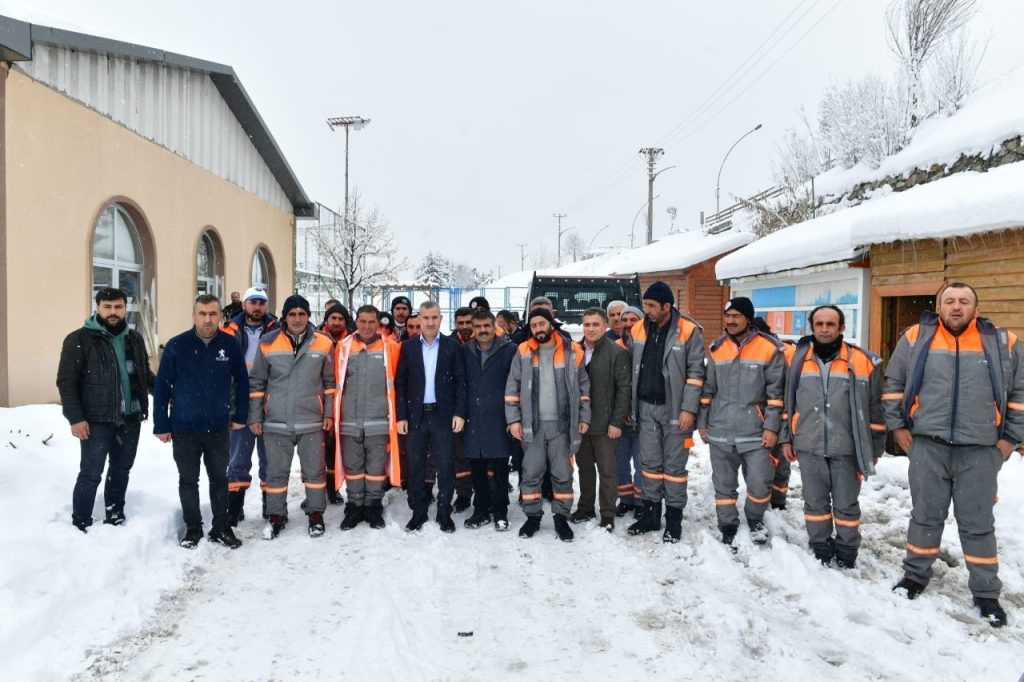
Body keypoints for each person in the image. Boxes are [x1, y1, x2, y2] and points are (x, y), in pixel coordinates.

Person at [886, 283, 1023, 628]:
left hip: (979, 450)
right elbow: (893, 385)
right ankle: (915, 577)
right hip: (928, 446)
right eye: (949, 301)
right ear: (939, 307)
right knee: (925, 516)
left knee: (978, 524)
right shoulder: (916, 338)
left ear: (976, 308)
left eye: (964, 301)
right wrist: (898, 428)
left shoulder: (1003, 343)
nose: (956, 307)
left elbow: (1020, 395)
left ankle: (986, 593)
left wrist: (1009, 442)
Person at [779, 305, 885, 568]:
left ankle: (847, 551)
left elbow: (876, 410)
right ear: (811, 328)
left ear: (842, 328)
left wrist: (875, 448)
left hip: (847, 448)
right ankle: (821, 548)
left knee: (847, 505)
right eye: (820, 324)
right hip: (808, 444)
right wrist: (786, 438)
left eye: (830, 324)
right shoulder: (796, 361)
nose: (825, 329)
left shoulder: (864, 361)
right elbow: (786, 403)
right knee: (814, 504)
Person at [153, 295, 249, 549]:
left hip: (219, 426)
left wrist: (240, 416)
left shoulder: (229, 345)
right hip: (184, 427)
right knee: (188, 480)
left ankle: (221, 527)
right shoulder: (177, 346)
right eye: (203, 314)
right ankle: (193, 527)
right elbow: (162, 387)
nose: (208, 319)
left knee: (219, 478)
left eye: (213, 314)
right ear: (194, 315)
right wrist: (161, 424)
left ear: (220, 316)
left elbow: (242, 382)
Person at [57, 287, 154, 532]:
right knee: (91, 473)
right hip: (96, 420)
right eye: (107, 307)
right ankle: (80, 522)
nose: (113, 312)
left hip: (130, 418)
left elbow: (145, 376)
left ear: (125, 308)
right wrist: (76, 418)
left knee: (121, 470)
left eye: (118, 307)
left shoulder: (134, 339)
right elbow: (67, 381)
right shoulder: (79, 339)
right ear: (98, 308)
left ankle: (115, 515)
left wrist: (169, 393)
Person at [698, 296, 786, 547]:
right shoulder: (717, 348)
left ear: (748, 319)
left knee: (759, 483)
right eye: (728, 316)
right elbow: (708, 389)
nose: (731, 320)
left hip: (756, 432)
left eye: (737, 316)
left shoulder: (769, 349)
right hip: (721, 430)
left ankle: (755, 519)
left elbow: (776, 394)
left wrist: (771, 427)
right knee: (723, 484)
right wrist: (703, 422)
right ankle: (727, 523)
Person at [248, 295, 336, 539]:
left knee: (315, 472)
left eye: (302, 314)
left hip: (312, 420)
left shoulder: (324, 342)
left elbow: (330, 383)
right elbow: (257, 382)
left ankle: (316, 515)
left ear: (309, 316)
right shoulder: (268, 342)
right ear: (284, 317)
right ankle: (276, 517)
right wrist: (255, 415)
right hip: (276, 420)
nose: (297, 319)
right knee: (276, 473)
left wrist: (328, 413)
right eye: (292, 314)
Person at [626, 282, 706, 543]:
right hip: (646, 407)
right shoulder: (638, 329)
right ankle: (650, 515)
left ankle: (673, 520)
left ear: (666, 307)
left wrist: (688, 409)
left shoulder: (690, 331)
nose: (646, 310)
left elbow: (696, 374)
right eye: (645, 305)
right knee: (650, 466)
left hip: (675, 410)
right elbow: (631, 371)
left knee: (674, 468)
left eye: (650, 306)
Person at [505, 308, 591, 541]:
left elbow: (583, 389)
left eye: (542, 324)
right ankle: (532, 518)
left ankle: (561, 518)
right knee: (531, 473)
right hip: (532, 425)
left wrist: (584, 418)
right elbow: (512, 389)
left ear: (551, 324)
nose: (538, 329)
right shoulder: (523, 351)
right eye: (533, 325)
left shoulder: (572, 351)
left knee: (562, 474)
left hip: (562, 426)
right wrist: (514, 420)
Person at [396, 301, 468, 532]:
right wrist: (401, 416)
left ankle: (444, 513)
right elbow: (401, 384)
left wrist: (459, 413)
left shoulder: (452, 347)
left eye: (434, 317)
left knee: (446, 467)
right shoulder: (408, 348)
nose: (429, 322)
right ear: (420, 319)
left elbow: (461, 383)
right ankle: (418, 513)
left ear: (440, 319)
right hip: (416, 416)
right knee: (415, 466)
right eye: (425, 318)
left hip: (443, 415)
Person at [332, 305, 401, 530]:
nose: (367, 326)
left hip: (379, 419)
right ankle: (354, 507)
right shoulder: (343, 347)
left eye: (372, 322)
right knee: (353, 468)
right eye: (363, 321)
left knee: (375, 468)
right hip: (350, 420)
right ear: (356, 321)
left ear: (378, 323)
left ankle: (373, 506)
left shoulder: (390, 347)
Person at [571, 308, 631, 531]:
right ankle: (586, 507)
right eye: (587, 324)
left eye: (596, 324)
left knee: (607, 471)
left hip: (605, 424)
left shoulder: (616, 353)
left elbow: (624, 389)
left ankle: (607, 513)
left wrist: (616, 422)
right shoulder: (574, 351)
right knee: (584, 468)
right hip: (580, 423)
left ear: (605, 325)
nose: (591, 329)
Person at [223, 287, 279, 524]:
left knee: (271, 458)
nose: (257, 307)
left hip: (269, 401)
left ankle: (271, 505)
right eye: (253, 302)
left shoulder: (277, 329)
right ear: (244, 304)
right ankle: (235, 507)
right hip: (239, 401)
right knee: (237, 458)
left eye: (261, 303)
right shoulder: (228, 329)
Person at [462, 310, 517, 530]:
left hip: (499, 417)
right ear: (473, 329)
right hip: (473, 418)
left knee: (500, 468)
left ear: (494, 326)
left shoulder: (509, 350)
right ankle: (481, 509)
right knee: (476, 467)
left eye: (487, 325)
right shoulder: (465, 351)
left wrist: (513, 417)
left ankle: (500, 511)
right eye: (478, 326)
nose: (483, 330)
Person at [751, 316, 795, 511]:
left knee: (779, 459)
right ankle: (774, 500)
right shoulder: (787, 350)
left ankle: (776, 500)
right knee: (774, 461)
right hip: (767, 414)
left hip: (779, 412)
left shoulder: (783, 351)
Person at [319, 302, 351, 504]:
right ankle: (314, 492)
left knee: (336, 449)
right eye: (333, 318)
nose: (337, 322)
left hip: (345, 401)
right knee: (318, 450)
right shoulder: (316, 340)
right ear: (326, 320)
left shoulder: (351, 341)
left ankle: (333, 489)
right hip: (320, 400)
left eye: (340, 319)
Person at [615, 305, 644, 517]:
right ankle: (625, 499)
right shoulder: (612, 347)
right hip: (619, 417)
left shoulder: (649, 345)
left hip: (644, 416)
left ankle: (641, 501)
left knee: (642, 462)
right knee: (620, 461)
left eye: (633, 319)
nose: (627, 324)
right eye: (625, 320)